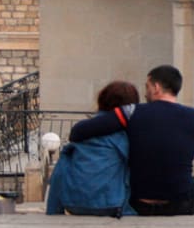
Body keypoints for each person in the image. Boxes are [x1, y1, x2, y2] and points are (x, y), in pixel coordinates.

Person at [69, 64, 194, 216]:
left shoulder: (131, 113)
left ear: (156, 87)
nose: (145, 92)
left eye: (147, 86)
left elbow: (78, 132)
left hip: (139, 204)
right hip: (182, 204)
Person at [47, 79, 138, 217]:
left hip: (74, 203)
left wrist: (53, 210)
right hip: (111, 204)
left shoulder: (83, 130)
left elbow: (61, 170)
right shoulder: (123, 136)